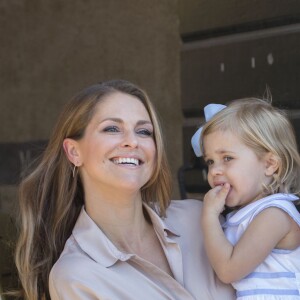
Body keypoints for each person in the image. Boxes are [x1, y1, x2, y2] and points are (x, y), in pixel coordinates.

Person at [14, 79, 235, 300]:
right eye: (112, 129)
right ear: (74, 152)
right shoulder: (77, 276)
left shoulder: (200, 217)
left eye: (144, 132)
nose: (132, 142)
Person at [191, 98, 300, 299]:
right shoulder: (243, 215)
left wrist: (208, 217)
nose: (214, 170)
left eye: (227, 158)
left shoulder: (274, 214)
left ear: (269, 164)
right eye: (210, 161)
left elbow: (228, 270)